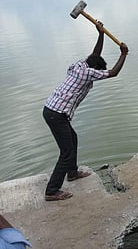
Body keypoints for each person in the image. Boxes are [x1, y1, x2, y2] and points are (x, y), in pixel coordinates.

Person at [43, 22, 129, 201]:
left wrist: (101, 34)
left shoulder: (80, 65)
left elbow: (95, 54)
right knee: (66, 153)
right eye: (99, 71)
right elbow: (113, 73)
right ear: (95, 70)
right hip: (57, 114)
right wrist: (124, 54)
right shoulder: (88, 72)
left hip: (52, 110)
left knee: (73, 139)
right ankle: (52, 191)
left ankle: (72, 173)